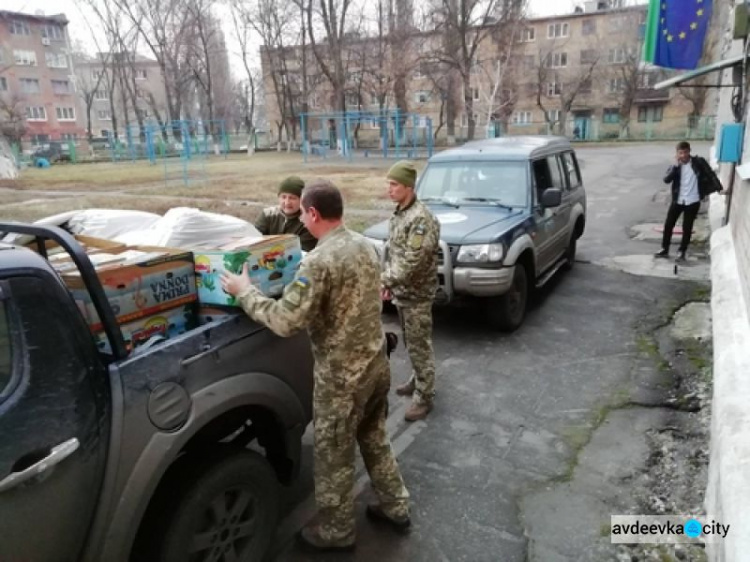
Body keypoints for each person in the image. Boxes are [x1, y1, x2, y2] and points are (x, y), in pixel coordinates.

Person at [221, 179, 410, 552]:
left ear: (312, 213)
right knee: (374, 438)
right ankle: (395, 504)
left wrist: (245, 292)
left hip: (342, 379)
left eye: (304, 215)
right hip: (375, 364)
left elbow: (284, 321)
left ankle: (337, 532)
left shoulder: (320, 261)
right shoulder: (364, 245)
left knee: (333, 454)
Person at [380, 161, 440, 422]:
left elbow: (411, 261)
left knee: (420, 346)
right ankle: (418, 380)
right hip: (403, 292)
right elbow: (394, 254)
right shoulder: (401, 213)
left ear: (408, 187)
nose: (389, 189)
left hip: (417, 294)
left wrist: (384, 281)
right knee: (411, 342)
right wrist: (390, 285)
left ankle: (425, 397)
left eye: (394, 184)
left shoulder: (420, 219)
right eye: (389, 184)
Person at [655, 141, 722, 263]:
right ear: (677, 154)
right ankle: (664, 249)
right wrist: (675, 167)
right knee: (668, 225)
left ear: (689, 151)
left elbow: (710, 174)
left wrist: (719, 189)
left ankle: (682, 251)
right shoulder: (675, 166)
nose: (683, 155)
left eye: (685, 152)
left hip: (693, 200)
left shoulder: (699, 162)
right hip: (678, 200)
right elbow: (666, 180)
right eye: (680, 153)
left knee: (687, 227)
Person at [254, 176, 317, 251]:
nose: (287, 203)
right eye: (283, 197)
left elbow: (302, 250)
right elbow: (254, 240)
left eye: (292, 198)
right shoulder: (267, 215)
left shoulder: (307, 221)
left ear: (302, 200)